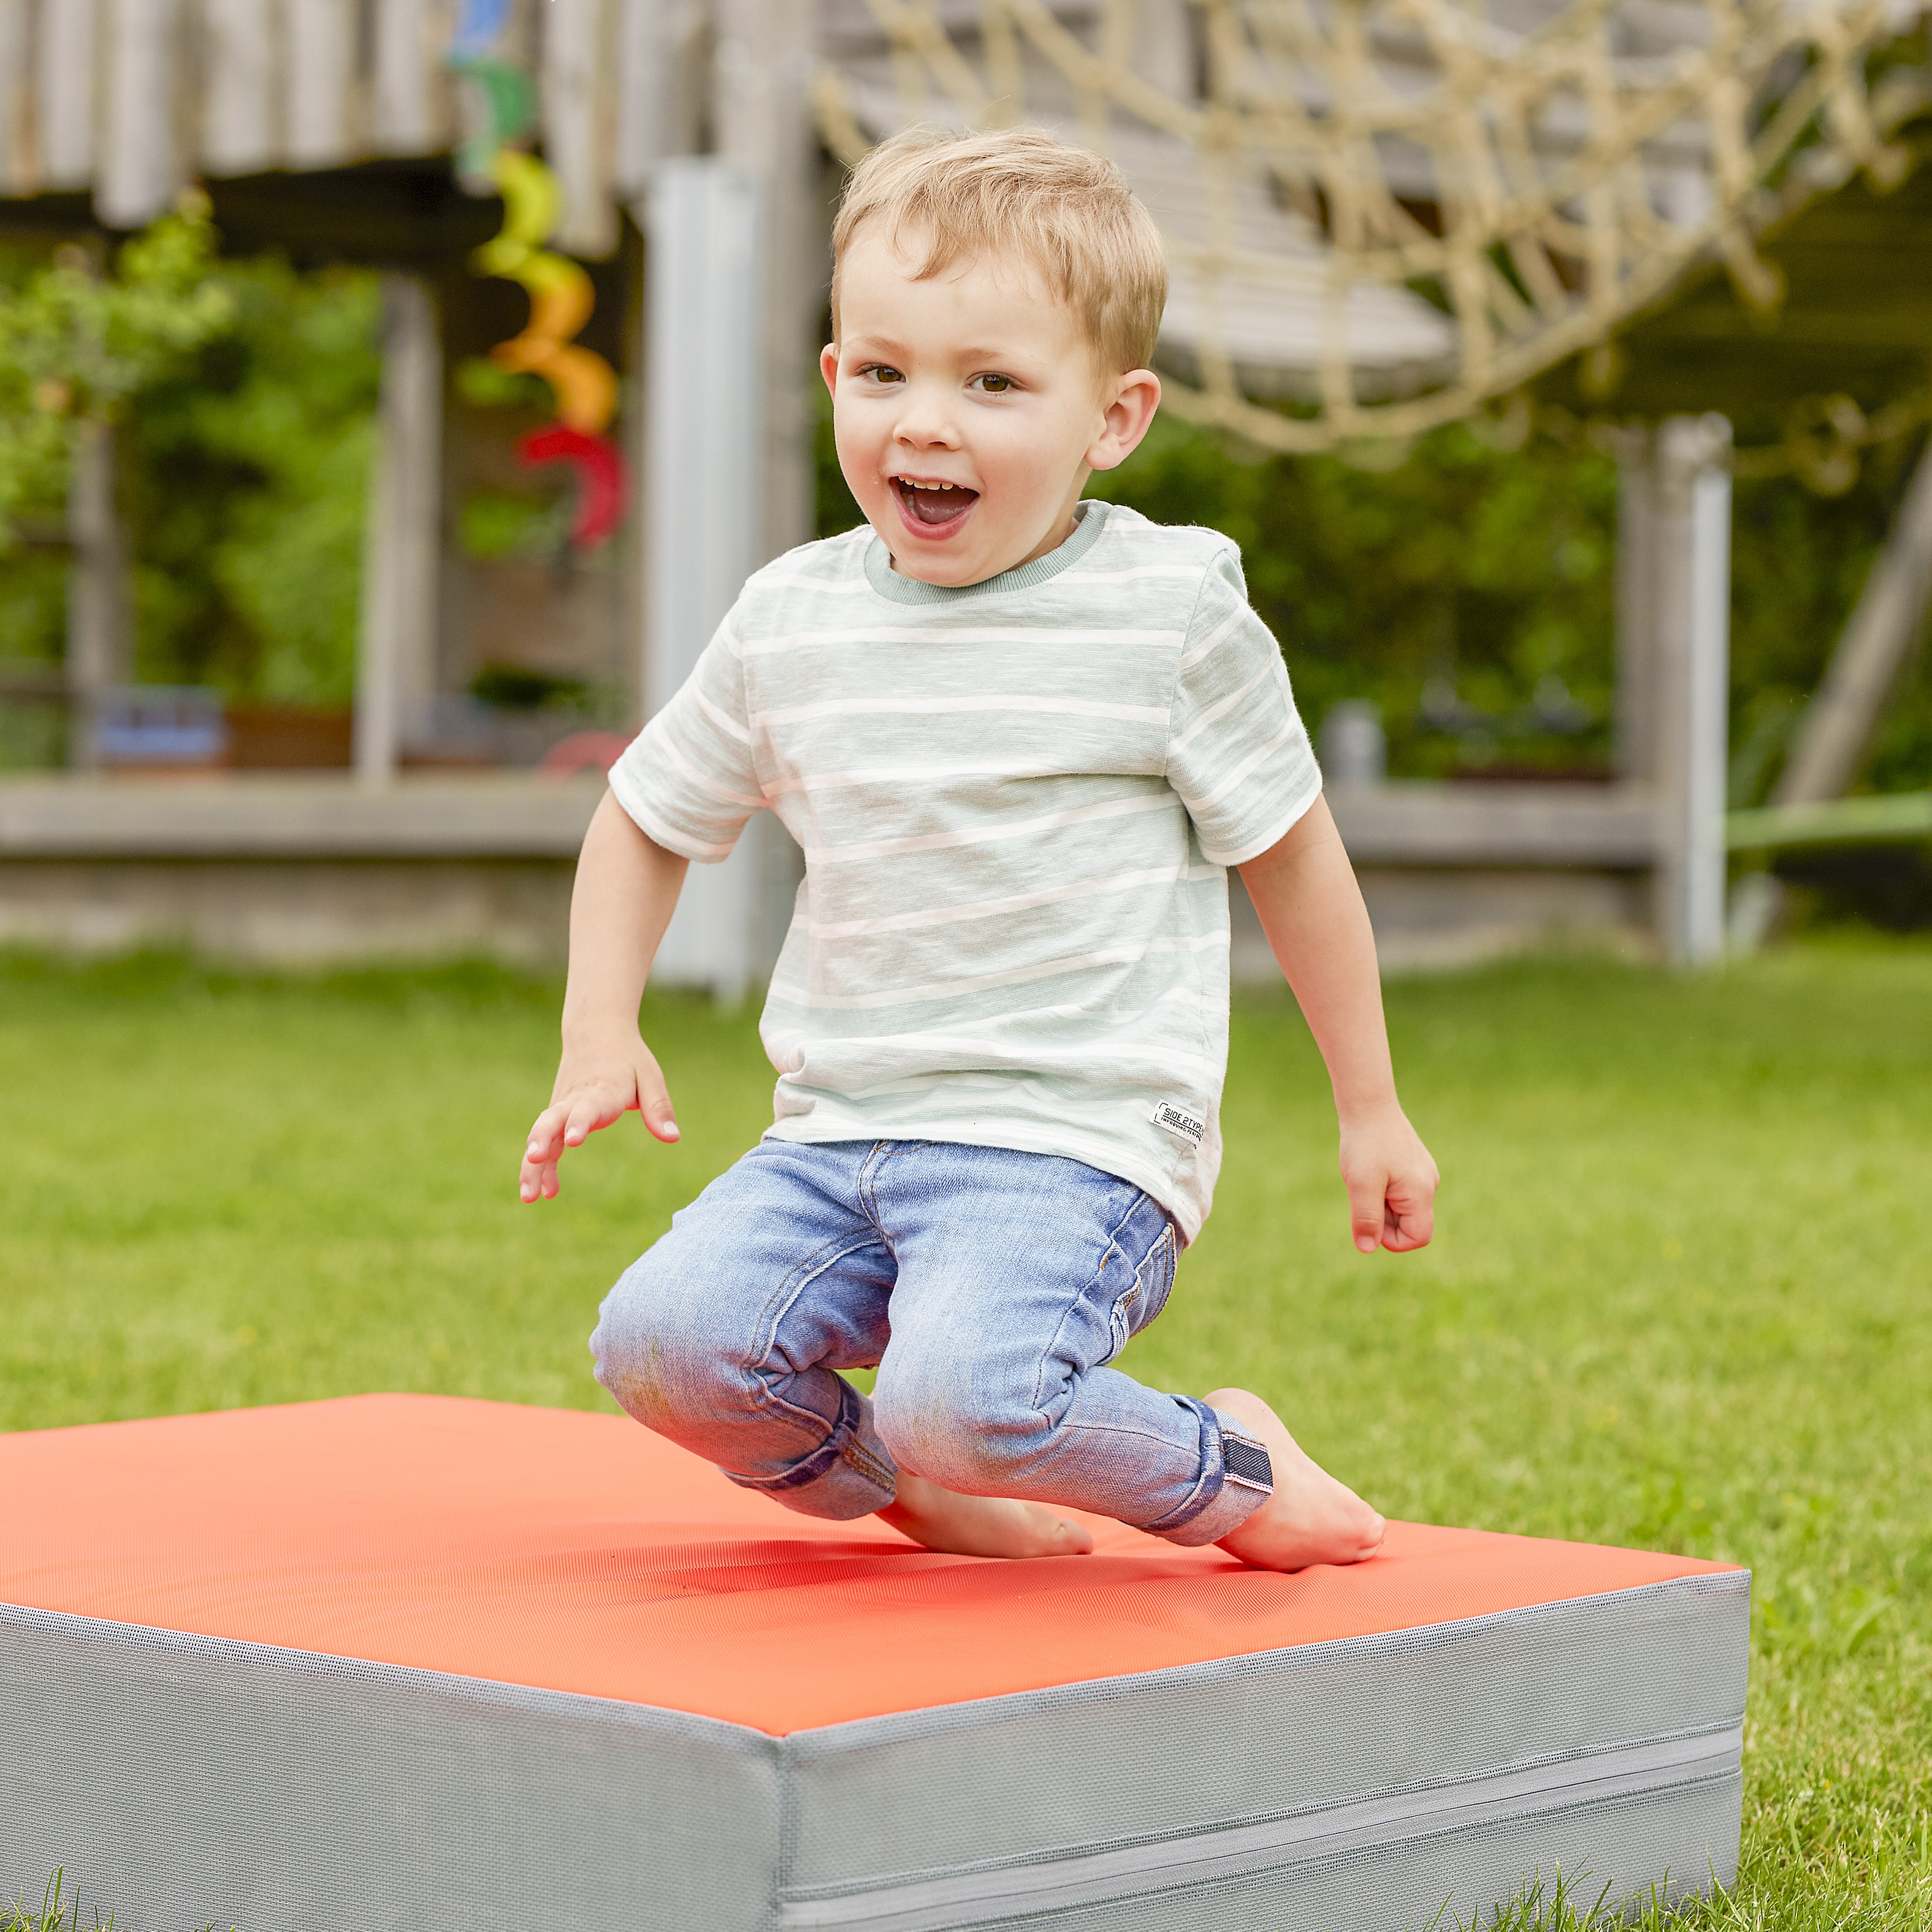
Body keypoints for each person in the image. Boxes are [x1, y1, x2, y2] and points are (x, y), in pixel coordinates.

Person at [519, 126, 1438, 1571]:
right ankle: (920, 1482)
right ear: (832, 380)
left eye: (991, 383)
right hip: (837, 1134)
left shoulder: (1170, 614)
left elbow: (1294, 859)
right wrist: (597, 1030)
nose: (923, 423)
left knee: (971, 1394)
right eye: (882, 372)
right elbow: (644, 815)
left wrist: (1369, 1107)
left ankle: (1233, 1469)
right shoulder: (792, 619)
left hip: (1072, 1141)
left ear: (1114, 418)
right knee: (663, 1345)